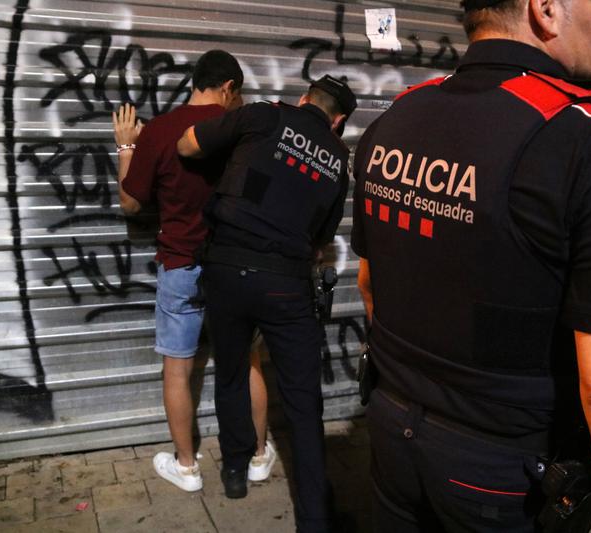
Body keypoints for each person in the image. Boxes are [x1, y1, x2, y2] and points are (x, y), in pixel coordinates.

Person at [353, 1, 591, 531]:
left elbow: (373, 285)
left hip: (390, 430)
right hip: (504, 473)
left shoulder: (398, 114)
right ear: (547, 10)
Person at [177, 74, 356, 532]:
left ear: (303, 100)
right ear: (337, 123)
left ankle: (235, 471)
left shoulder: (263, 114)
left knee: (232, 369)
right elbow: (319, 241)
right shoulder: (337, 159)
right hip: (286, 286)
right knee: (302, 400)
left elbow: (187, 146)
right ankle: (315, 517)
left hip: (227, 272)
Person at [112, 49, 272, 492]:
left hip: (180, 265)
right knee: (247, 360)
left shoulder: (161, 131)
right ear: (228, 89)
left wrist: (126, 146)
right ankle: (259, 455)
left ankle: (187, 467)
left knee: (178, 369)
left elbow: (130, 203)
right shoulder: (242, 137)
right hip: (234, 268)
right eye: (237, 98)